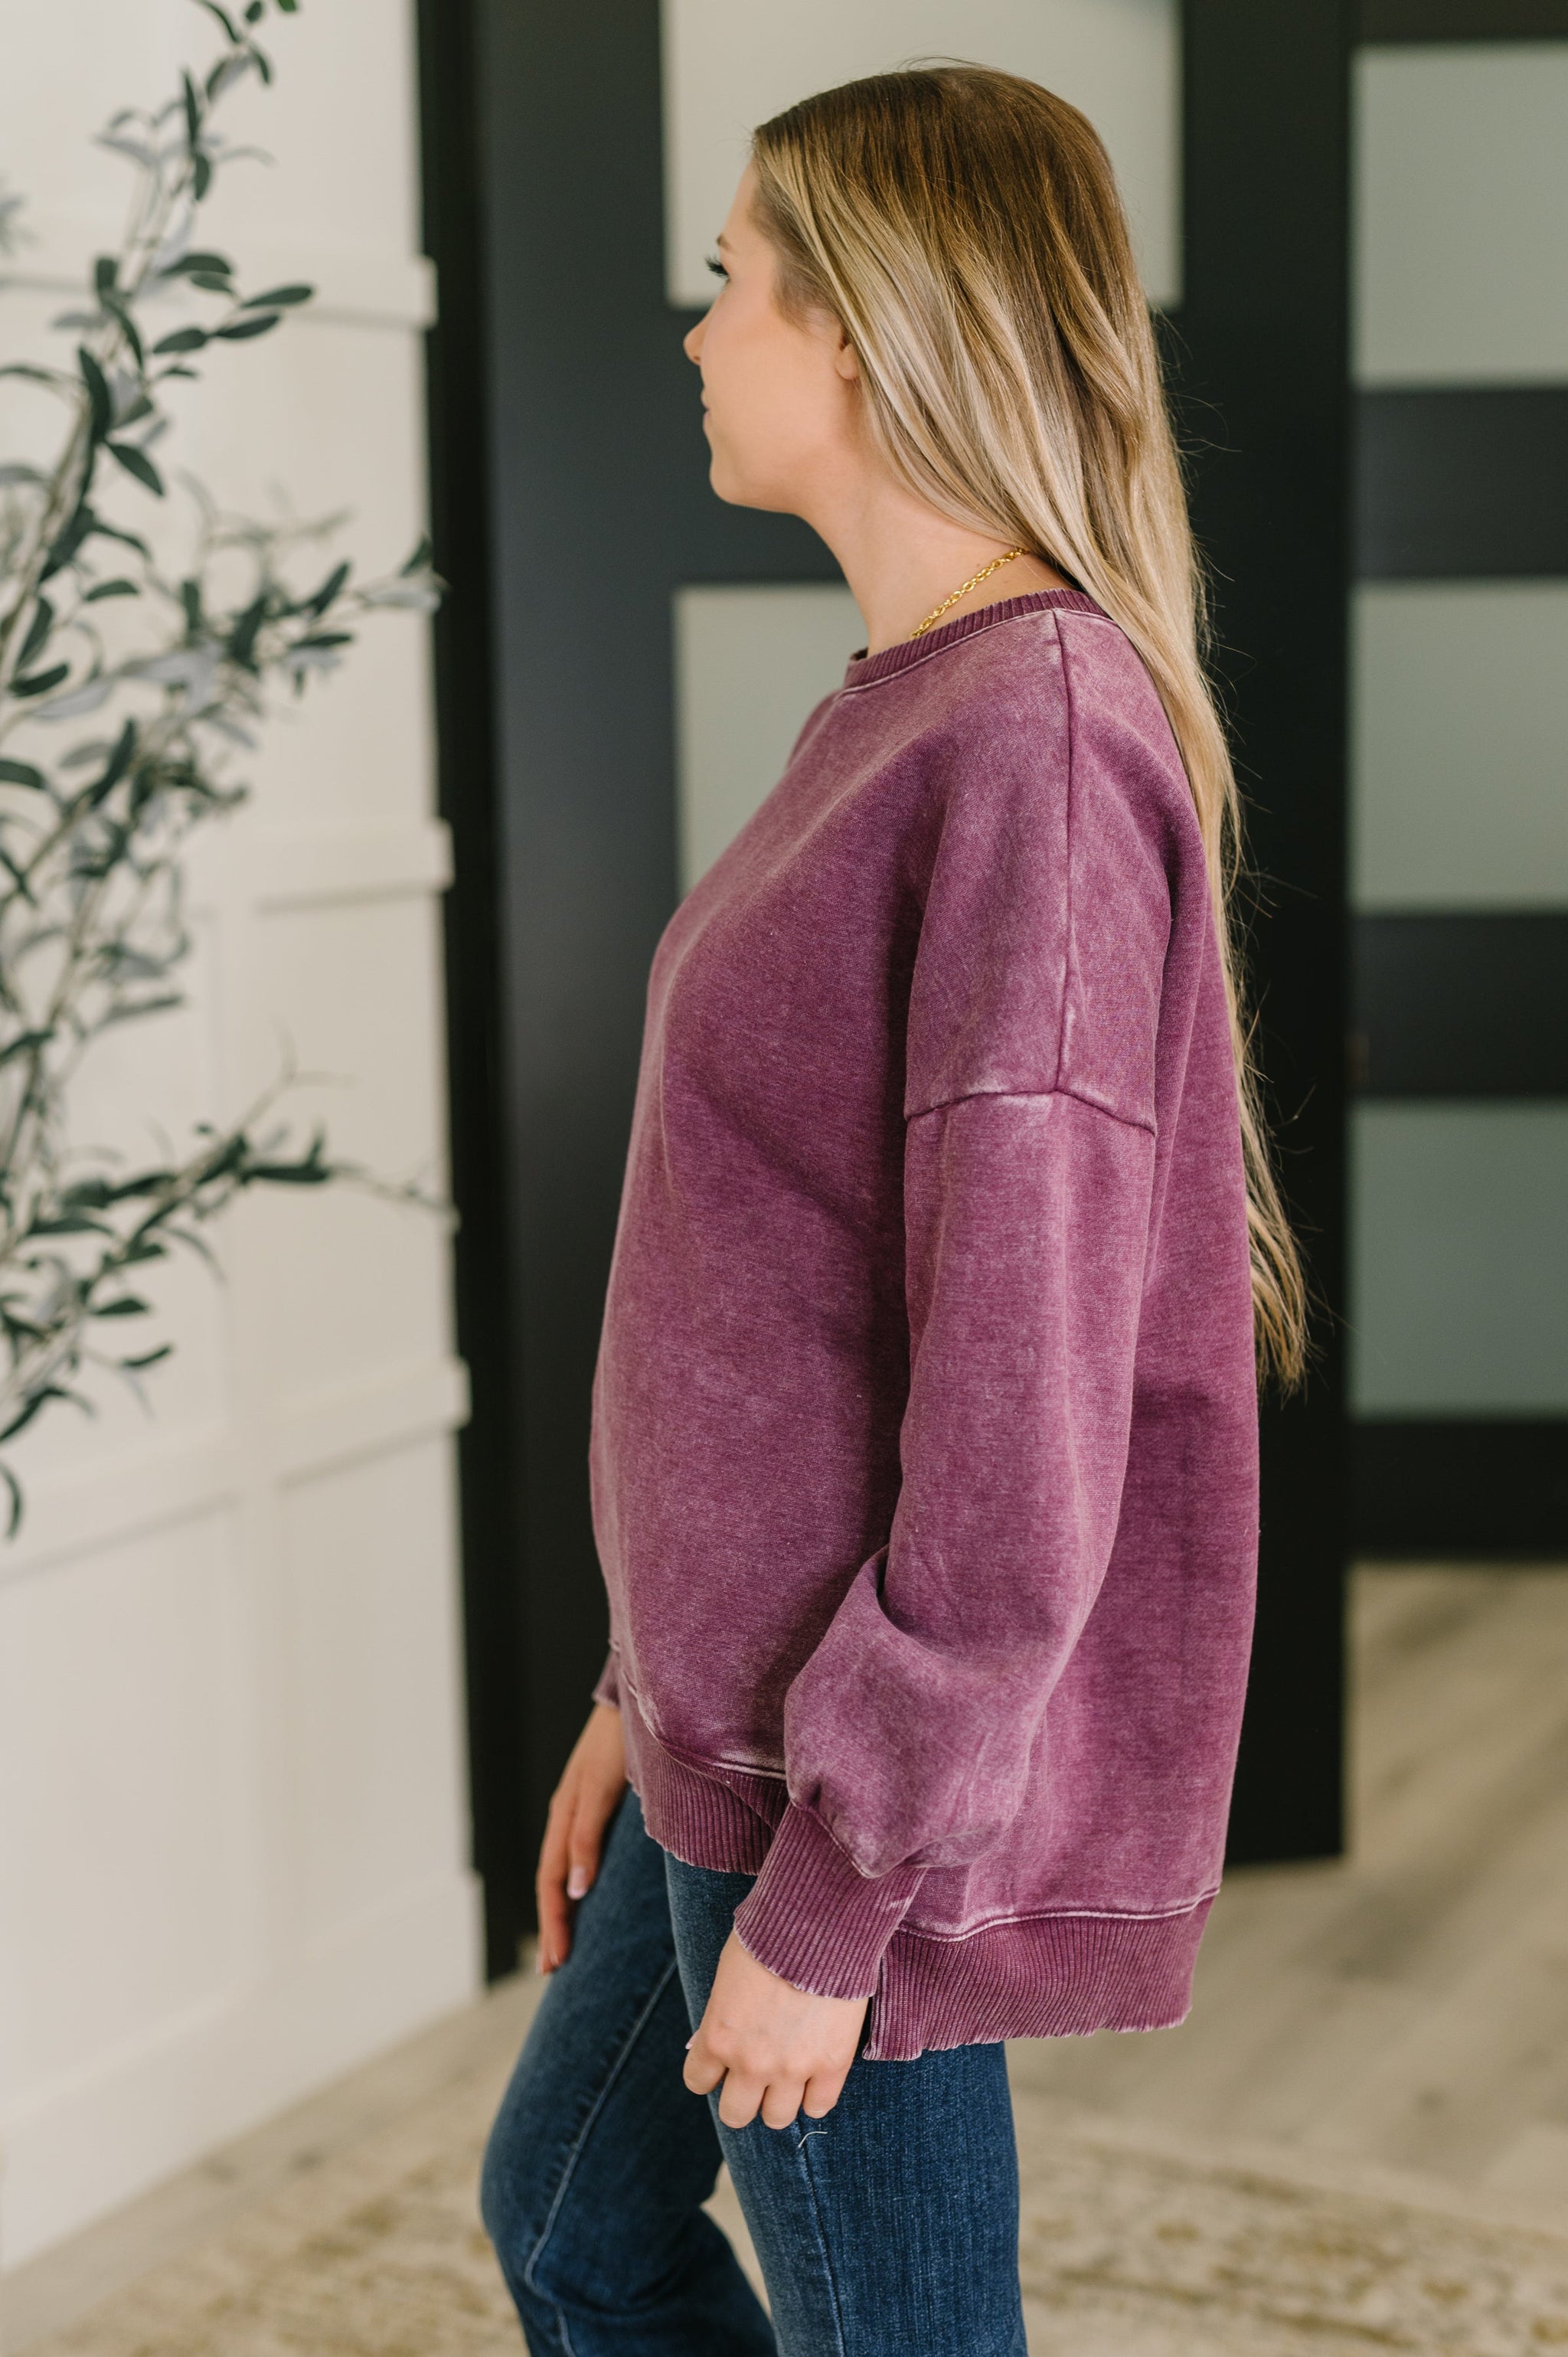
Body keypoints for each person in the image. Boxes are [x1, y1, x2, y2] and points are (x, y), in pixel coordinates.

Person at [481, 61, 1305, 2357]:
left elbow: (1022, 1424)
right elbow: (777, 1292)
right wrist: (640, 1690)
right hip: (727, 1721)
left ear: (864, 327)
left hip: (839, 1785)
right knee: (568, 2224)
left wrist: (840, 1892)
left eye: (730, 278)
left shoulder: (1034, 738)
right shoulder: (911, 710)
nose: (697, 331)